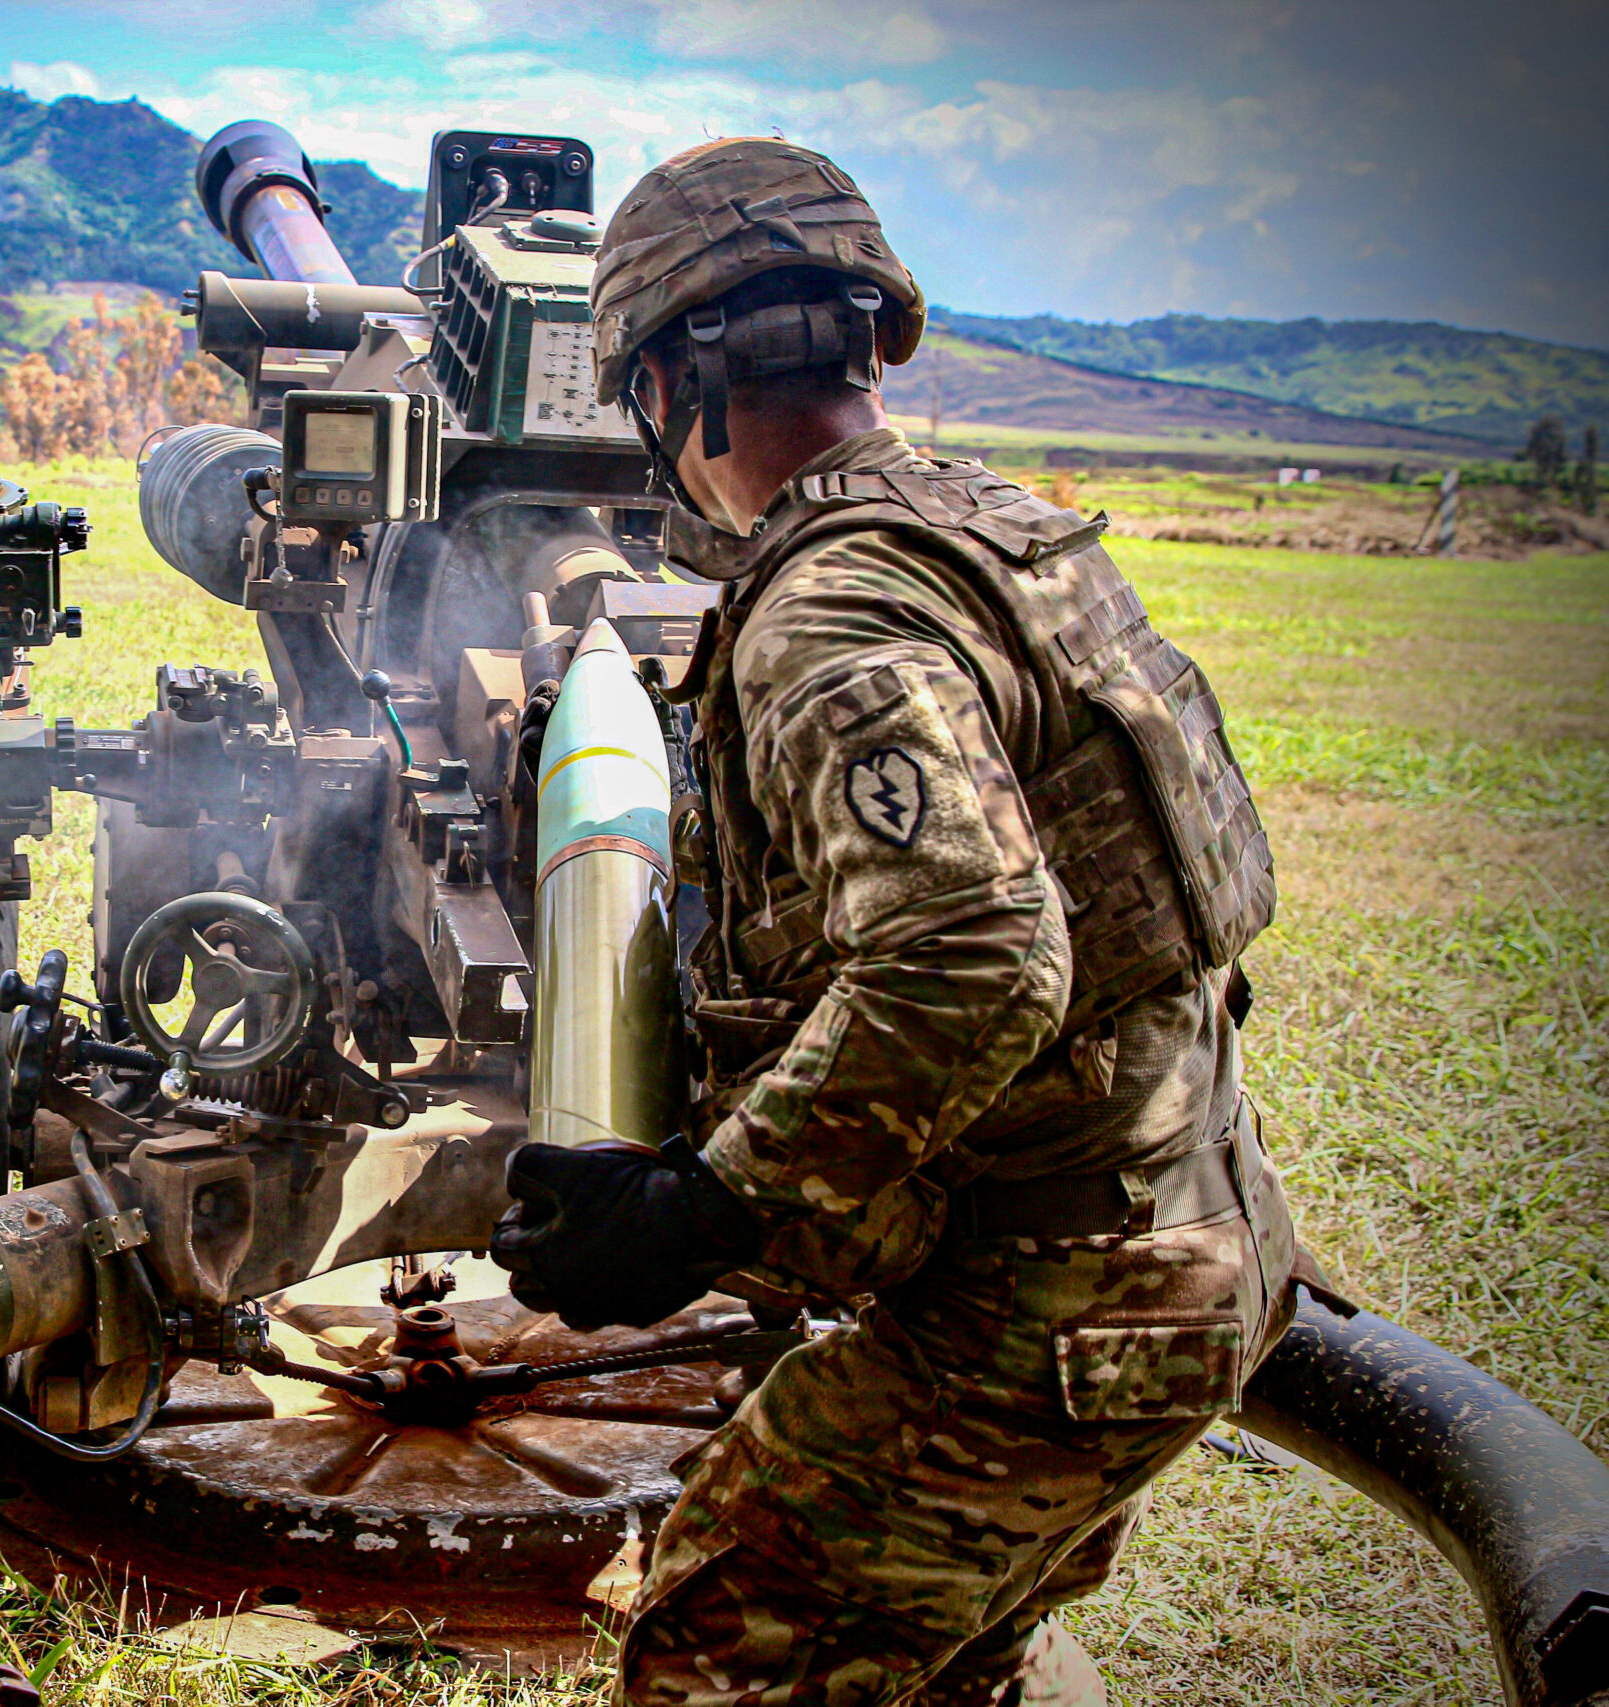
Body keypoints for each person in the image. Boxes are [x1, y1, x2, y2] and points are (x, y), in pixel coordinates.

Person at [491, 137, 1303, 1705]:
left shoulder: (830, 605)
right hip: (1194, 1240)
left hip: (1047, 1303)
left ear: (668, 382)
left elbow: (979, 956)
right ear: (869, 335)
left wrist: (699, 1210)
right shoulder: (995, 530)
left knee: (720, 1651)